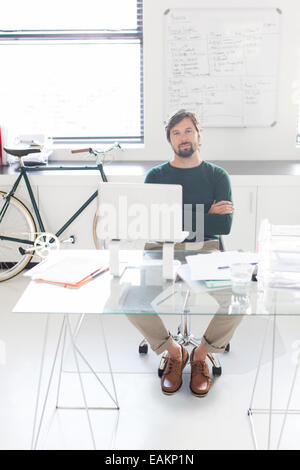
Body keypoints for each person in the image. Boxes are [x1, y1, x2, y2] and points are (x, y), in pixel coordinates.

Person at [127, 109, 241, 397]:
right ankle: (173, 351)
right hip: (160, 247)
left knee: (238, 300)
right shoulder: (156, 176)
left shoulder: (217, 175)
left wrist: (178, 215)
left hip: (205, 249)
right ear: (170, 140)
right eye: (176, 132)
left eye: (188, 130)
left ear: (199, 135)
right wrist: (205, 213)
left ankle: (202, 354)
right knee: (129, 297)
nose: (183, 137)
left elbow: (224, 225)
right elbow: (155, 222)